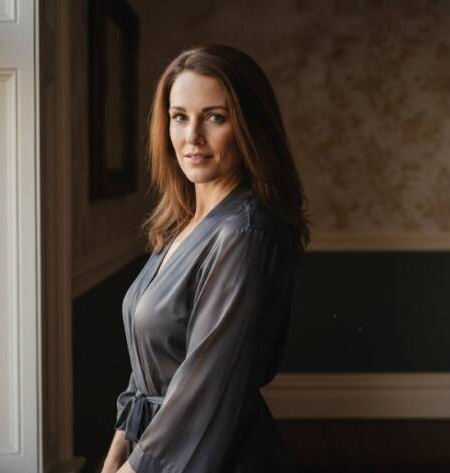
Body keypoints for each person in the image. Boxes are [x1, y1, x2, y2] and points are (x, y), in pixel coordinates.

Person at [101, 44, 310, 473]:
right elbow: (149, 365)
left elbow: (207, 385)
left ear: (250, 127)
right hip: (152, 451)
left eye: (215, 117)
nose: (191, 136)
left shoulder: (246, 233)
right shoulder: (181, 224)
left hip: (209, 456)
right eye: (179, 117)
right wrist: (115, 454)